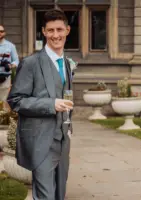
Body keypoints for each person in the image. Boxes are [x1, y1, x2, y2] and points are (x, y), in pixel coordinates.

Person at [7, 9, 74, 200]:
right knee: (45, 196)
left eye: (60, 30)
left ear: (68, 30)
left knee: (60, 194)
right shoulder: (30, 63)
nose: (56, 35)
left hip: (63, 140)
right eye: (51, 30)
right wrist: (50, 104)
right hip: (40, 141)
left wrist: (68, 129)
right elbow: (16, 100)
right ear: (43, 32)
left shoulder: (67, 63)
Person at [0, 24, 19, 102]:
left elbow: (16, 60)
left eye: (1, 31)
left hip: (5, 77)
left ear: (4, 33)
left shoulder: (10, 46)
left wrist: (10, 65)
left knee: (3, 101)